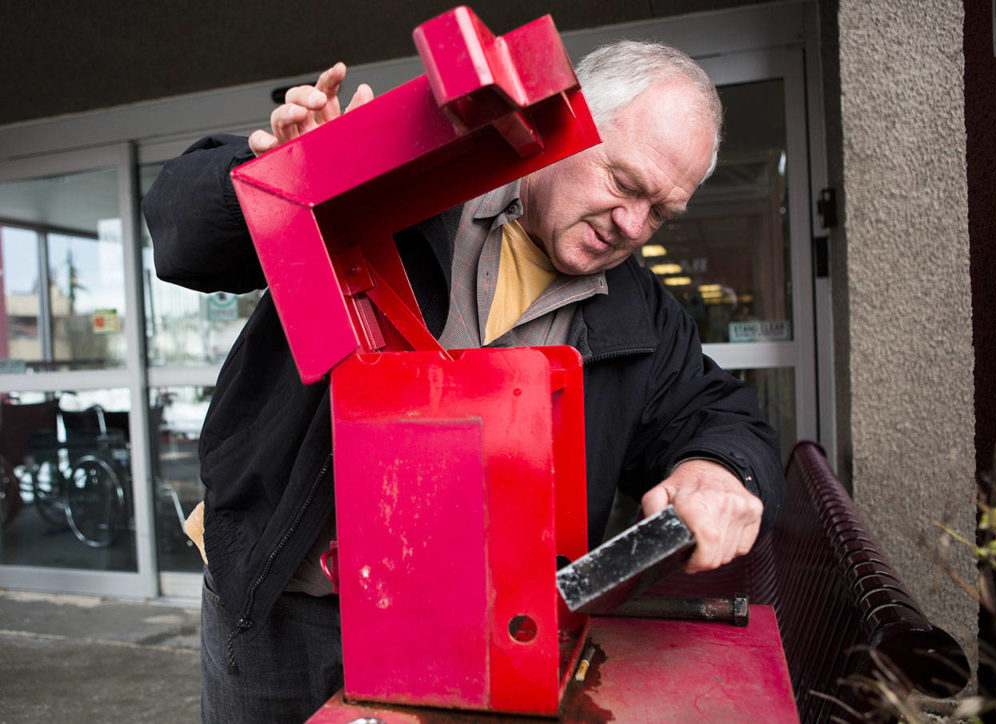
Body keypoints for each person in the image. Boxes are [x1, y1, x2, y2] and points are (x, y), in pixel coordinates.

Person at [143, 40, 784, 723]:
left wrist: (718, 470)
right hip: (286, 608)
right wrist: (280, 175)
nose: (632, 225)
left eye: (659, 212)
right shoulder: (405, 185)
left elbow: (719, 415)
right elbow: (184, 238)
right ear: (567, 123)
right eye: (624, 183)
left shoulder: (643, 313)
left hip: (471, 636)